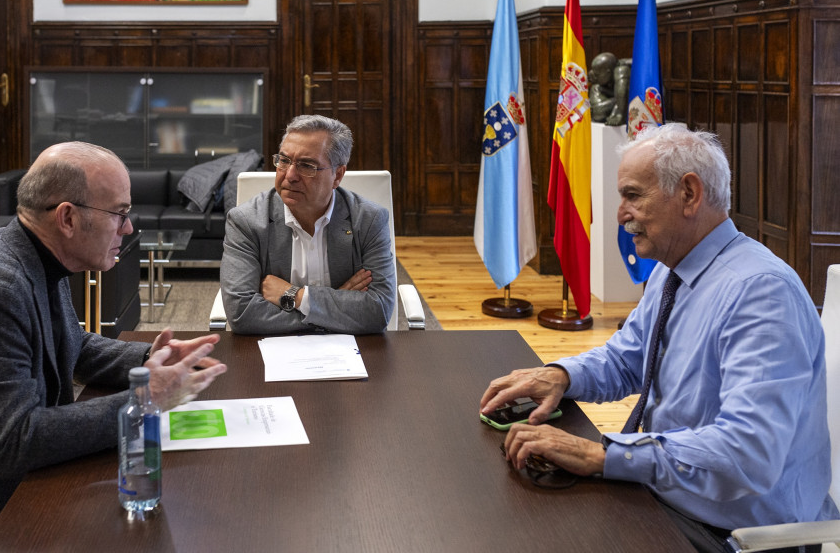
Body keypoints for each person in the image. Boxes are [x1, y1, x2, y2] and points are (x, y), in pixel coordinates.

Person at [479, 124, 838, 553]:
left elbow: (748, 454)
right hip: (670, 500)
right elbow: (629, 359)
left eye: (633, 195)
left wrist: (604, 457)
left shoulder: (761, 292)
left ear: (689, 194)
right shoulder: (674, 268)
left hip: (737, 535)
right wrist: (560, 375)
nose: (620, 214)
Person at [0, 142, 227, 553]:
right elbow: (15, 442)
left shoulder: (34, 256)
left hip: (12, 495)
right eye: (120, 214)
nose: (127, 229)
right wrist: (148, 398)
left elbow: (73, 345)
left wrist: (146, 361)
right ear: (67, 217)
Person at [220, 114, 396, 334]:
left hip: (351, 353)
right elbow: (241, 313)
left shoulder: (369, 220)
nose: (290, 175)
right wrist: (332, 311)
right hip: (273, 352)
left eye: (307, 166)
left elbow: (378, 310)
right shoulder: (246, 221)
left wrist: (296, 296)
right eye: (284, 161)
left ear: (337, 175)